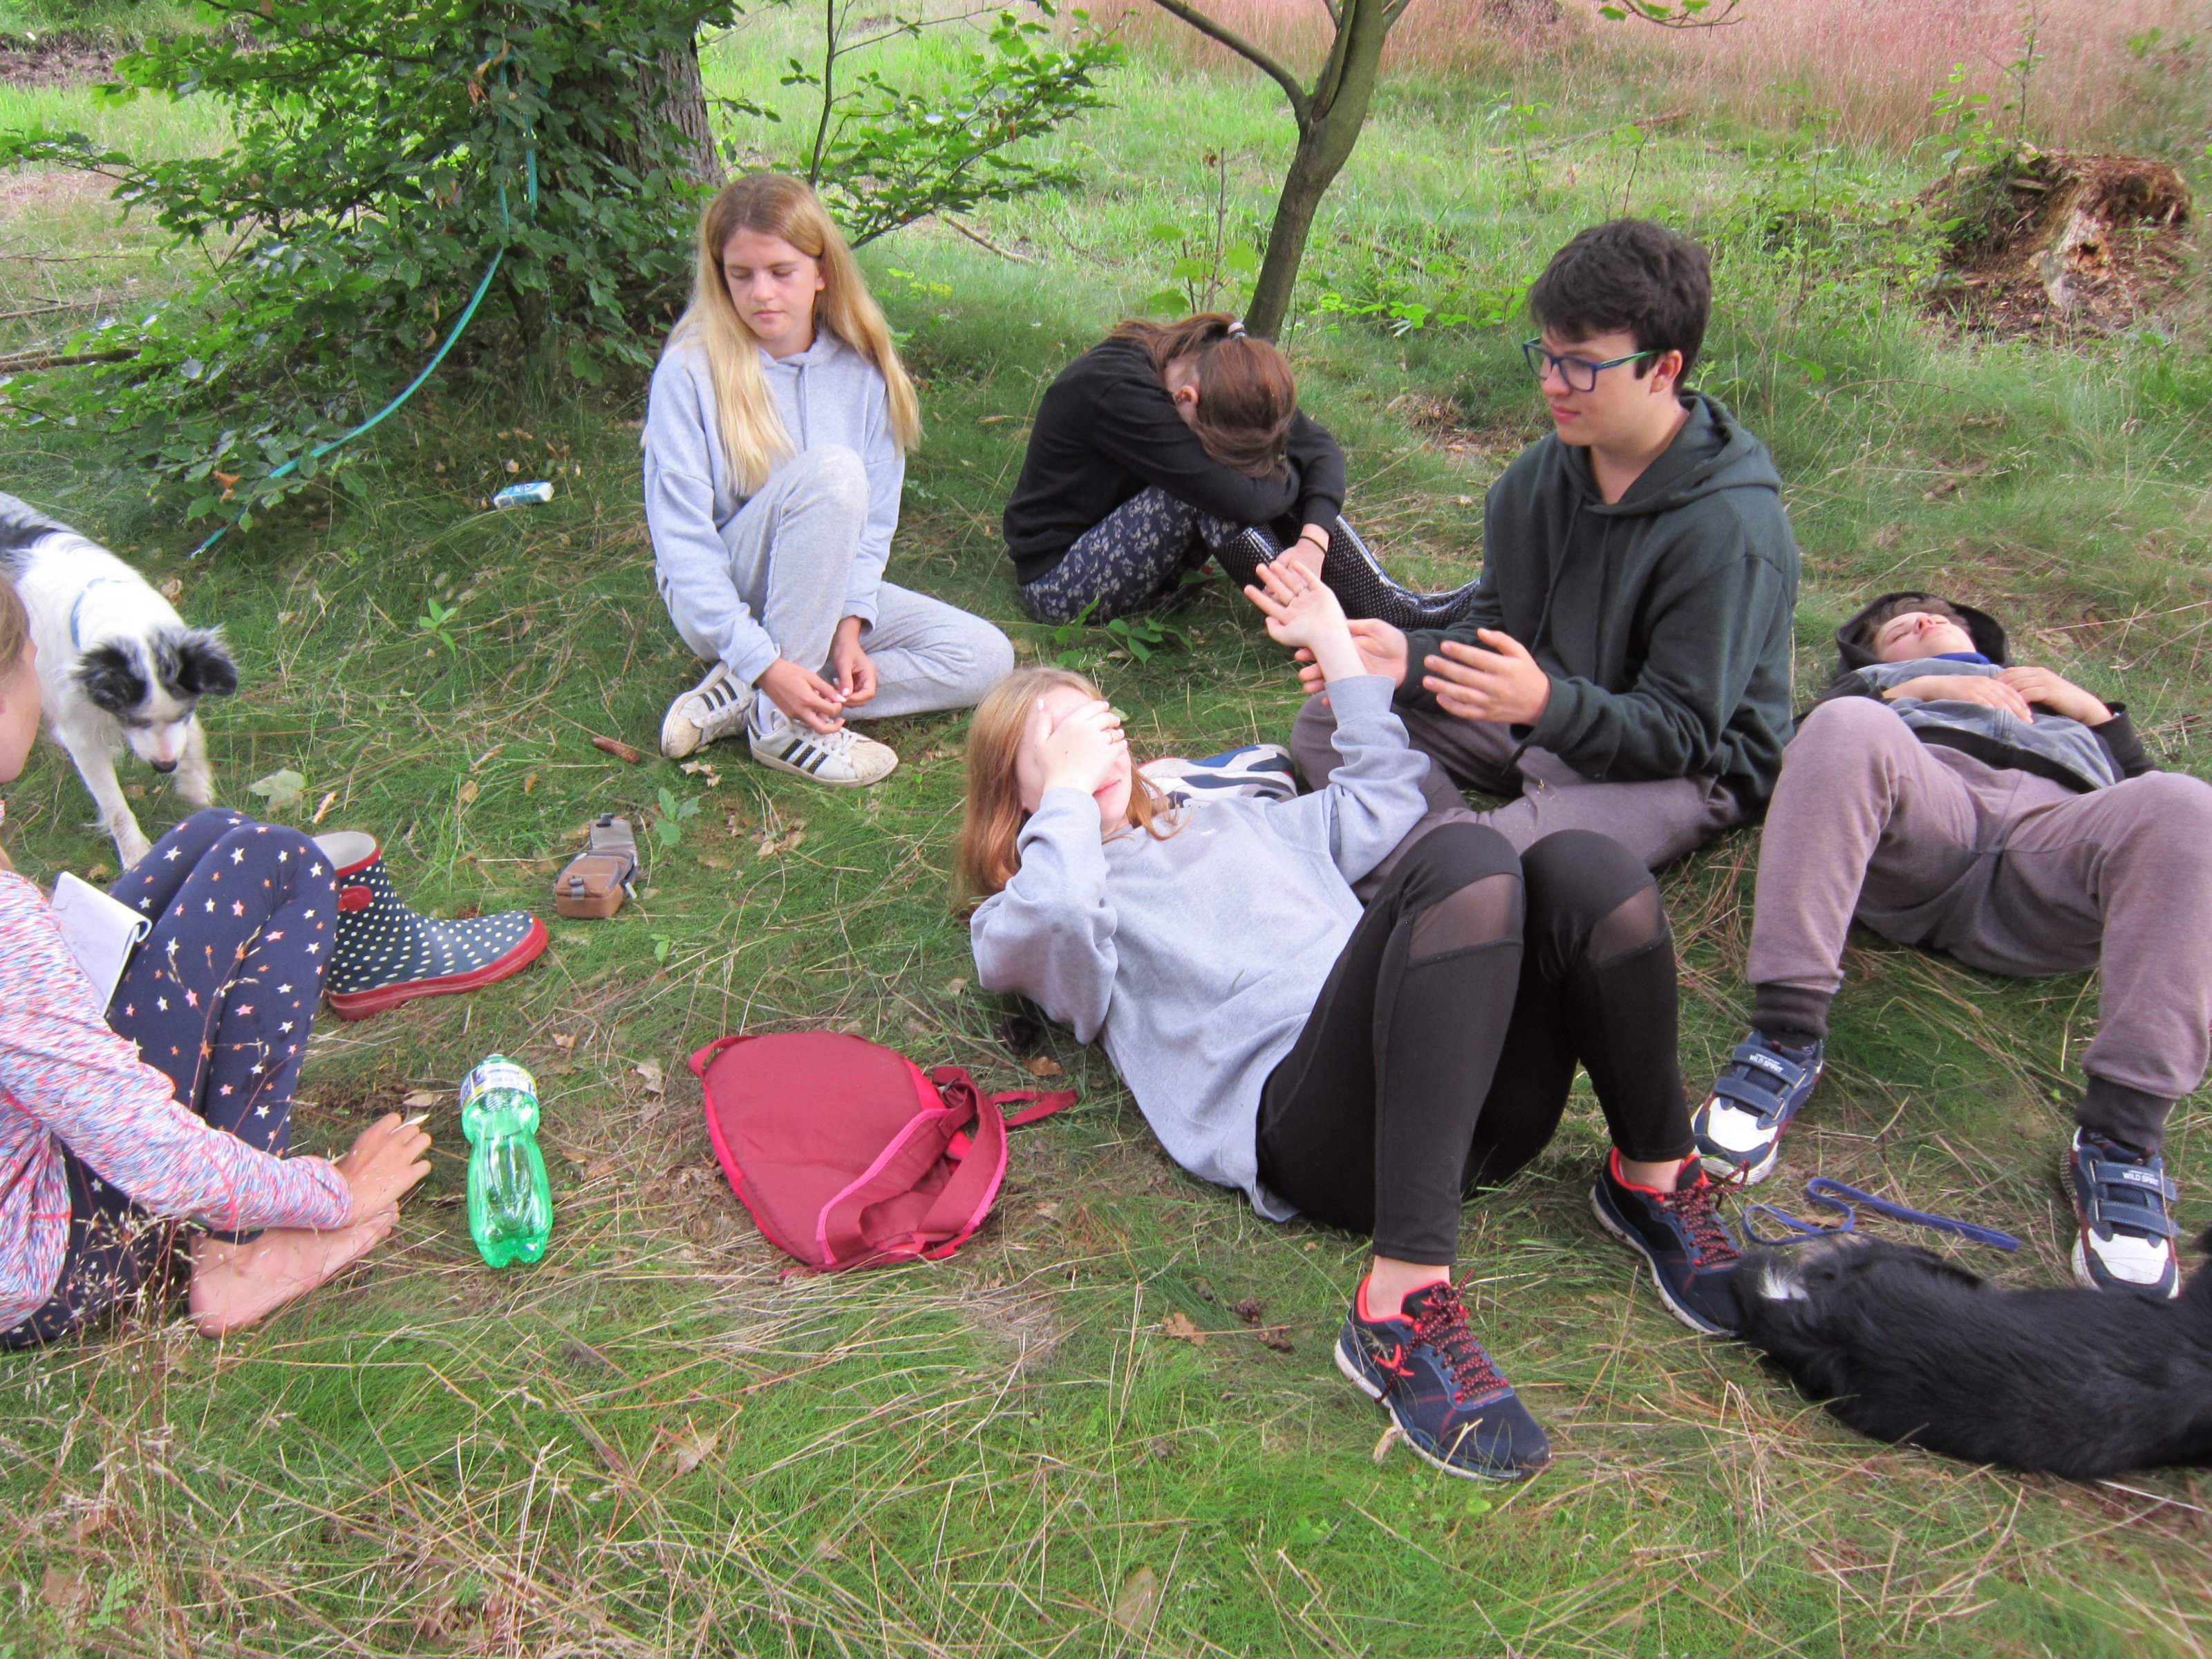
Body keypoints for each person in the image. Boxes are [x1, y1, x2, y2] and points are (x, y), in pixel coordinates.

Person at [960, 563, 1744, 1483]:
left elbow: (1385, 799)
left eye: (1092, 721)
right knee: (1465, 859)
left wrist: (1337, 648)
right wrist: (1064, 799)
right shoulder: (1039, 911)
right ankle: (1397, 1313)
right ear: (1016, 792)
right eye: (1053, 738)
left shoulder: (1237, 821)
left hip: (1465, 1114)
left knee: (1585, 868)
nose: (1086, 743)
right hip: (1316, 1133)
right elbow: (1052, 921)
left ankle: (1653, 1181)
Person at [1693, 590, 2212, 1300]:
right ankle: (1784, 1039)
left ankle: (2121, 1141)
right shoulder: (1876, 693)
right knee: (1845, 727)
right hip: (1924, 830)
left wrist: (2095, 716)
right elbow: (1816, 757)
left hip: (2051, 858)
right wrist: (1921, 689)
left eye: (1940, 613)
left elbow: (2163, 837)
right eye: (1894, 628)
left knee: (2188, 804)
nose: (1921, 617)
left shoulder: (2065, 707)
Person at [0, 573, 432, 1347]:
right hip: (48, 1257)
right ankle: (238, 1254)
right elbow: (147, 1149)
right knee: (282, 862)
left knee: (214, 833)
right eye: (26, 653)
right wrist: (332, 1193)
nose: (38, 664)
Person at [1289, 220, 1799, 874]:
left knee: (1506, 856)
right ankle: (1457, 860)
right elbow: (1495, 631)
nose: (1553, 383)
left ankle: (1447, 859)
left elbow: (1683, 733)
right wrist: (1407, 663)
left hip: (1680, 766)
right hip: (1540, 715)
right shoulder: (1535, 480)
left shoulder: (1729, 529)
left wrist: (1543, 705)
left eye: (1582, 365)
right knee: (1328, 721)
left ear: (1663, 369)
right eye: (1548, 356)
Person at [646, 171, 1014, 786]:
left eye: (781, 271)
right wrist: (764, 661)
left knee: (985, 658)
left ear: (821, 271)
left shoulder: (863, 370)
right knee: (834, 472)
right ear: (720, 275)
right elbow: (683, 546)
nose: (762, 292)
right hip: (726, 589)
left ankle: (744, 696)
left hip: (823, 588)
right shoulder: (689, 372)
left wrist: (850, 628)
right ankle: (779, 723)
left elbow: (872, 527)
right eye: (742, 274)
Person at [1001, 313, 1478, 630]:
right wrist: (1288, 470)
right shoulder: (1117, 393)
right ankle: (1332, 623)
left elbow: (1319, 449)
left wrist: (1312, 543)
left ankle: (1393, 607)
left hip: (1130, 552)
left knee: (1249, 473)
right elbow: (1243, 499)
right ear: (1186, 400)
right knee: (1211, 493)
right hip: (1060, 582)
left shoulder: (1224, 367)